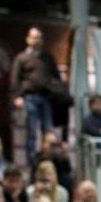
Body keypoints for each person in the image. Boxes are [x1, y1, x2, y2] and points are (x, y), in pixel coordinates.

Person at [10, 26, 62, 161]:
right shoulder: (21, 57)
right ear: (28, 39)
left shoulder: (47, 57)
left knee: (48, 131)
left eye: (38, 37)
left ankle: (49, 158)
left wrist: (55, 91)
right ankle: (31, 160)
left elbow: (56, 77)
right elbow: (15, 79)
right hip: (29, 97)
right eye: (33, 37)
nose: (36, 40)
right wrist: (17, 97)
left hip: (46, 97)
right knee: (31, 131)